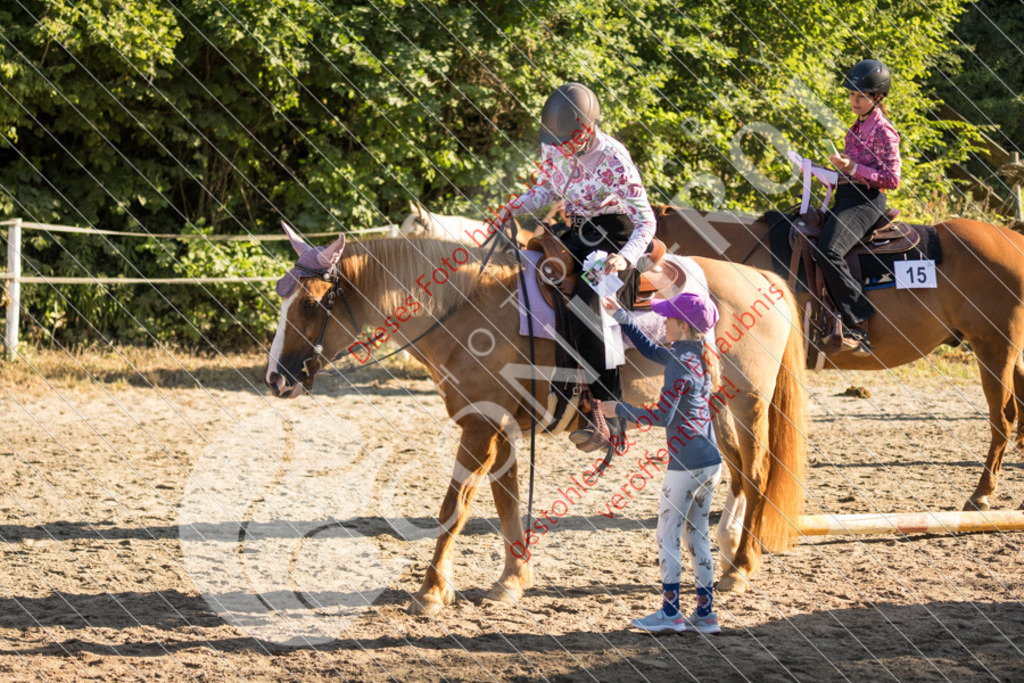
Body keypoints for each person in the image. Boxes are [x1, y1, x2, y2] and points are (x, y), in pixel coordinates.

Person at [501, 82, 656, 447]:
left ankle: (608, 413)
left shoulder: (614, 158)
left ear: (587, 131)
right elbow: (548, 188)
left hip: (615, 237)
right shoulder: (555, 144)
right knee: (529, 273)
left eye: (565, 144)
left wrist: (625, 257)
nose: (557, 151)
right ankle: (559, 386)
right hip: (576, 231)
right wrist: (514, 205)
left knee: (588, 308)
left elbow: (647, 220)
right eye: (554, 144)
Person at [599, 290, 723, 635]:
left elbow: (663, 416)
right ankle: (706, 614)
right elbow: (652, 350)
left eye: (668, 319)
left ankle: (670, 612)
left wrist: (618, 410)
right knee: (696, 535)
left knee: (667, 534)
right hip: (711, 462)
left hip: (685, 465)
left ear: (682, 326)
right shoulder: (698, 355)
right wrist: (623, 317)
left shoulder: (680, 364)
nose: (663, 323)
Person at [818, 58, 901, 355]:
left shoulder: (884, 131)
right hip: (847, 196)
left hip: (868, 200)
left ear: (877, 97)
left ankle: (859, 323)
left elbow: (892, 178)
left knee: (829, 249)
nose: (854, 100)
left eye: (860, 95)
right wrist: (828, 173)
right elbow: (851, 170)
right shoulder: (854, 129)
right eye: (851, 94)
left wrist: (852, 167)